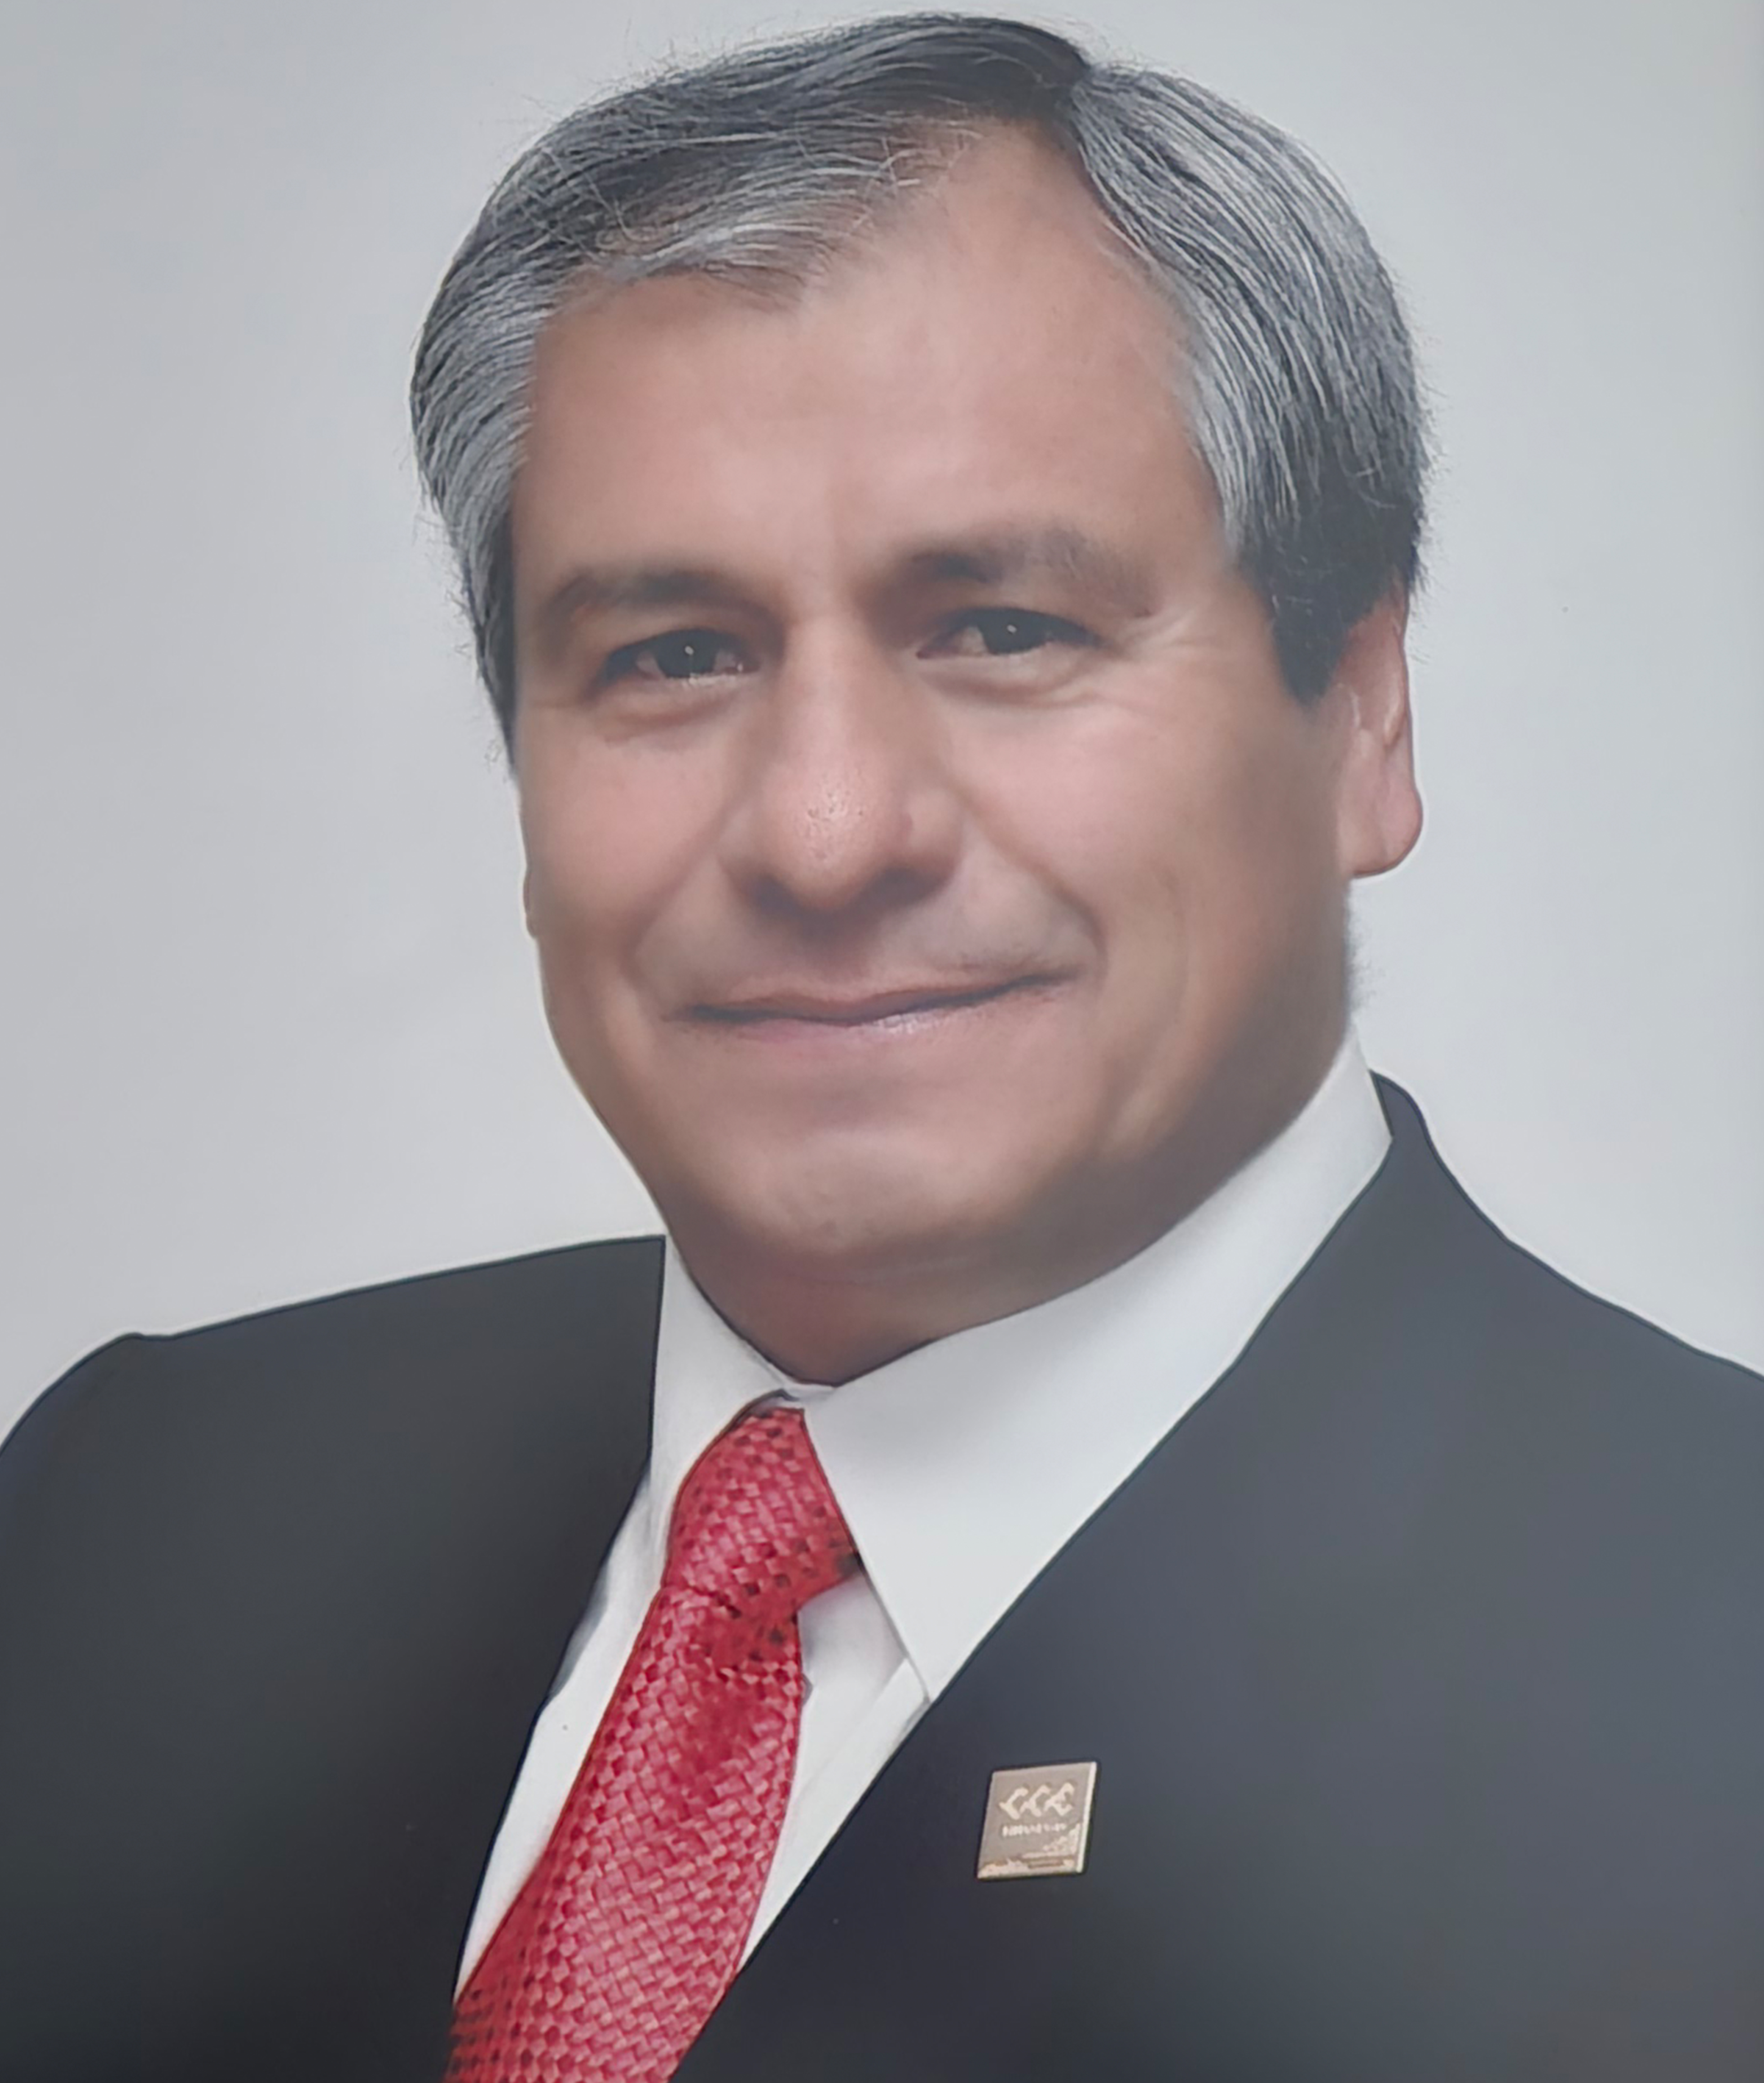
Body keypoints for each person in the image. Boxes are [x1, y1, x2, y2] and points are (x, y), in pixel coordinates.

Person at [2, 15, 1760, 2081]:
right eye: (671, 656)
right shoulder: (140, 1518)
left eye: (1003, 629)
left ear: (1362, 710)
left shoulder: (1712, 1670)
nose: (826, 832)